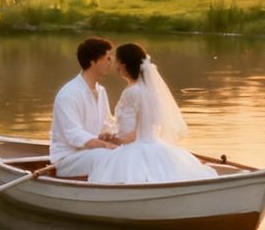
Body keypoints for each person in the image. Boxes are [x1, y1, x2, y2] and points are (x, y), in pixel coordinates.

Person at [88, 43, 217, 184]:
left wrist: (111, 139)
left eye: (117, 61)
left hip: (135, 150)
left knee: (107, 172)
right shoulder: (152, 90)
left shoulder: (131, 92)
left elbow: (126, 133)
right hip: (157, 145)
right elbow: (154, 124)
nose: (115, 65)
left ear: (124, 64)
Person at [49, 37, 118, 178]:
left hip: (91, 152)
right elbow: (73, 135)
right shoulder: (69, 94)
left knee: (128, 152)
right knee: (105, 155)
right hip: (68, 158)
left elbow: (108, 123)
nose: (111, 63)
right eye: (107, 58)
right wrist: (105, 145)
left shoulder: (101, 91)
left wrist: (112, 136)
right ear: (93, 62)